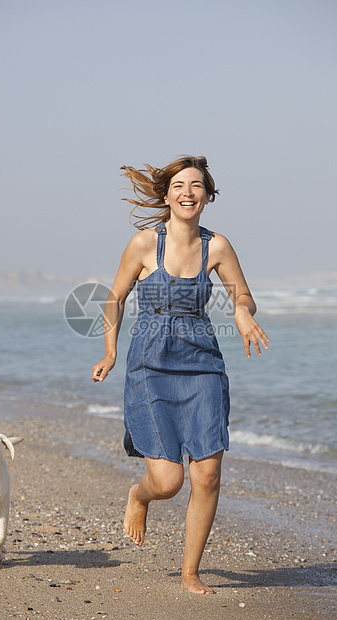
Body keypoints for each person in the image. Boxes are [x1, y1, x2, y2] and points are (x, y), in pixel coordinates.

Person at [92, 155, 269, 594]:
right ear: (167, 195)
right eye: (180, 185)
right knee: (168, 481)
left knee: (206, 474)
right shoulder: (142, 245)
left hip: (203, 364)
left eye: (197, 186)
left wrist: (243, 313)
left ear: (207, 196)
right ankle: (139, 495)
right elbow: (114, 298)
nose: (188, 192)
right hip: (150, 366)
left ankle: (191, 572)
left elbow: (242, 294)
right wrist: (111, 350)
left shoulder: (219, 246)